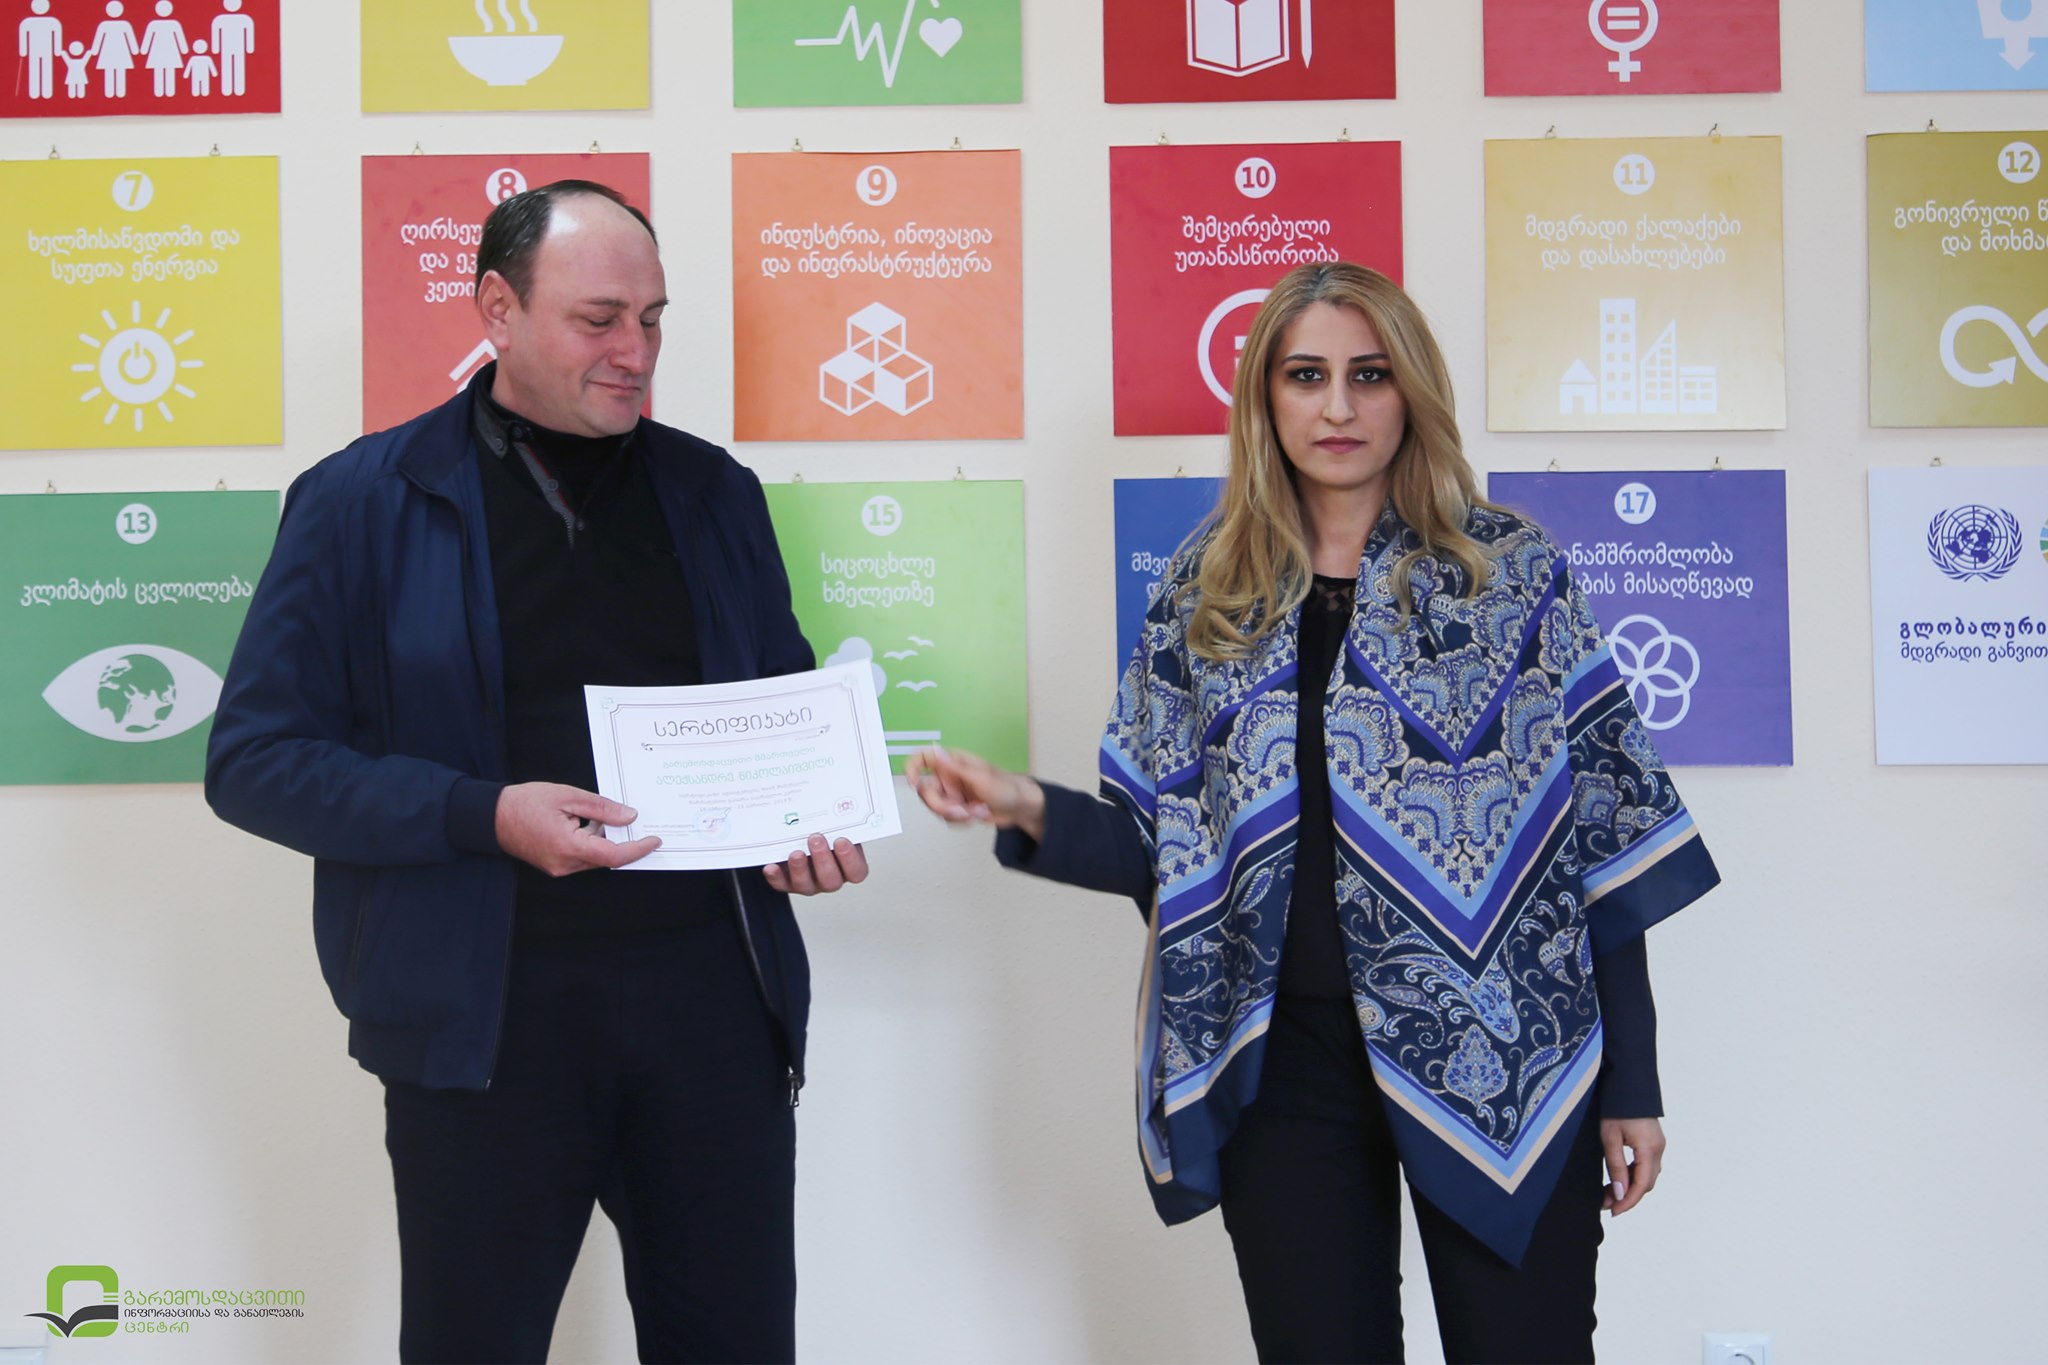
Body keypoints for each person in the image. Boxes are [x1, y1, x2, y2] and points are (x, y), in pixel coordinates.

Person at [907, 262, 1719, 1364]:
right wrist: (1023, 804)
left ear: (1411, 392)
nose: (1337, 407)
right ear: (1265, 397)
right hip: (1283, 1061)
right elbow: (1160, 847)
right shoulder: (1206, 592)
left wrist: (1633, 1081)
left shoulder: (1510, 575)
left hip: (1504, 1051)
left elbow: (1600, 847)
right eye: (1305, 376)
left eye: (1368, 375)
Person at [206, 181, 866, 1365]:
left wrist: (805, 829)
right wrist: (482, 815)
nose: (635, 353)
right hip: (484, 1026)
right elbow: (254, 762)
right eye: (598, 320)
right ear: (496, 311)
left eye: (652, 320)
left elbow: (776, 711)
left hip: (711, 1014)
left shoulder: (714, 492)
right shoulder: (360, 502)